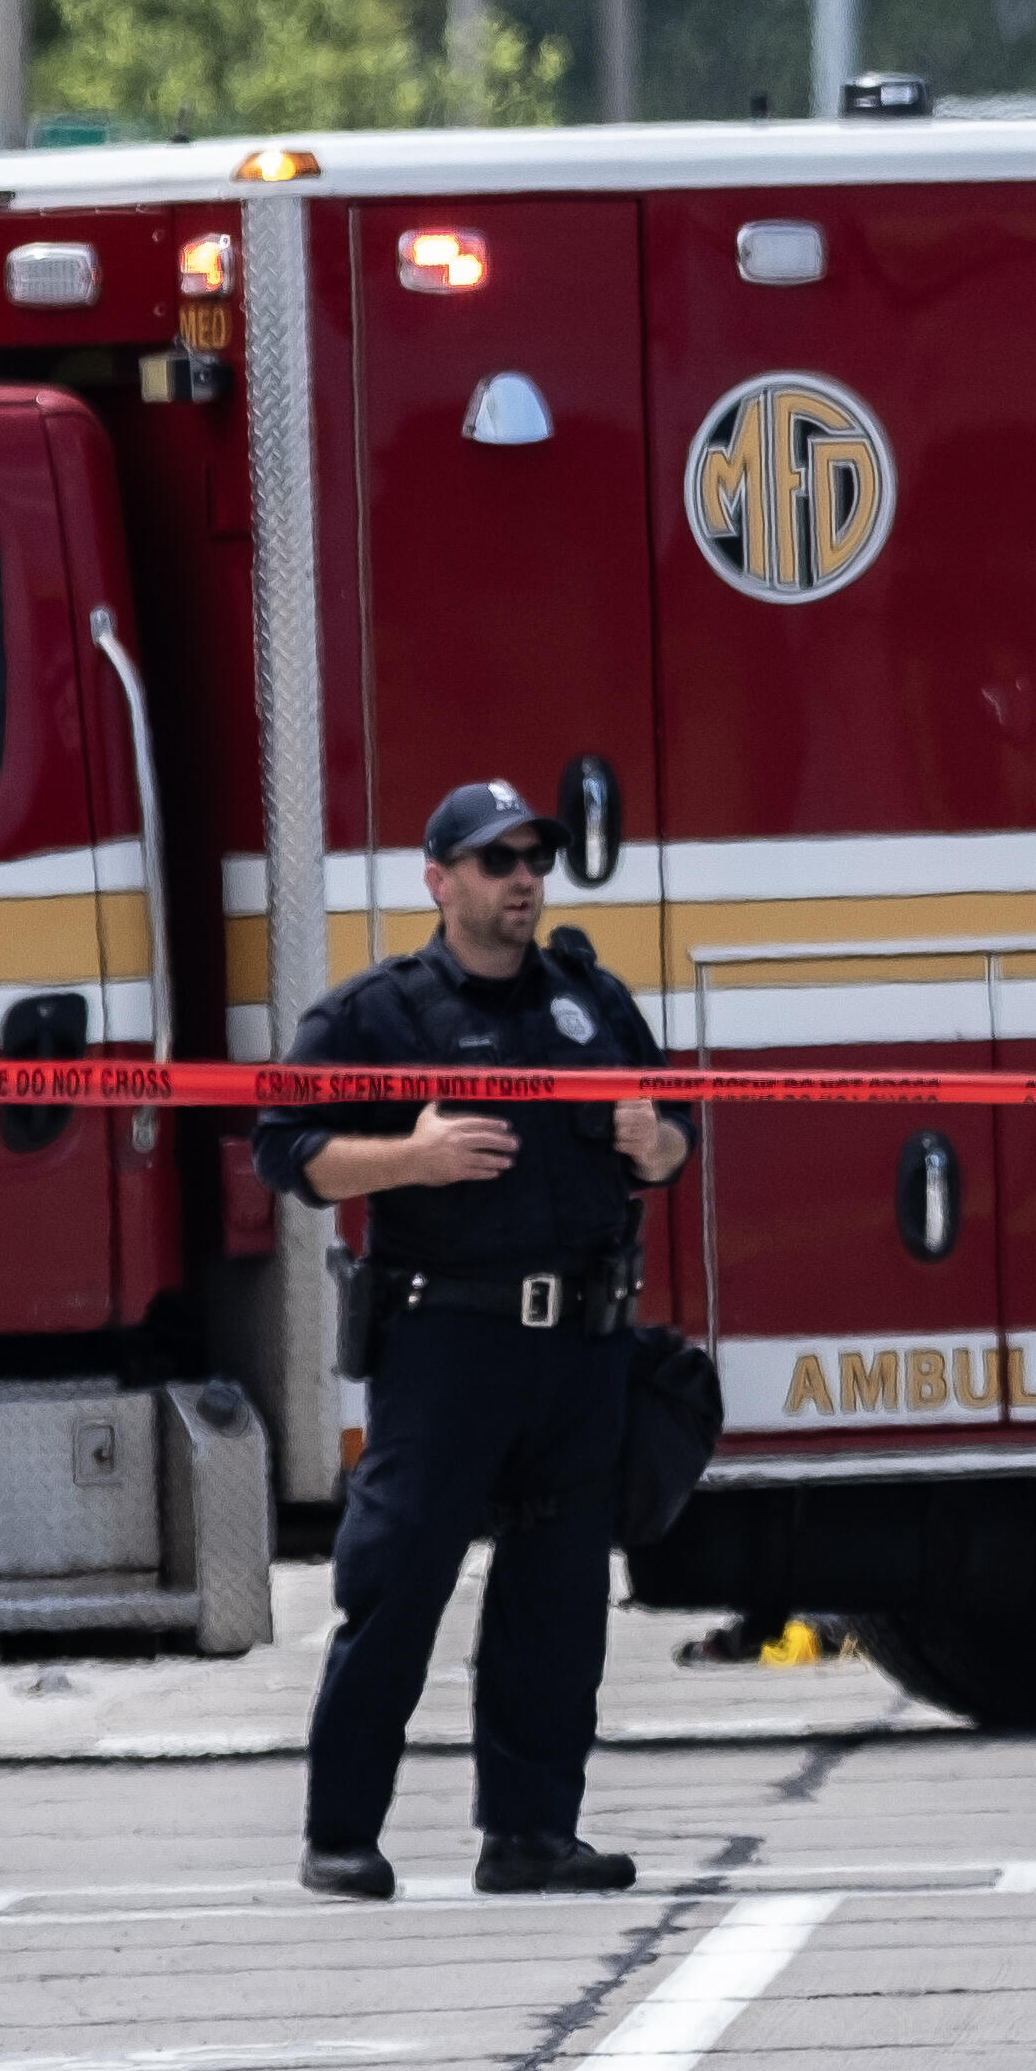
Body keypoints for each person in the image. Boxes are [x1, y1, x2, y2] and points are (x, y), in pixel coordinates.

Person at [271, 783, 690, 1901]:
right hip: (448, 1345)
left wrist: (658, 1144)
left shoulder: (588, 1001)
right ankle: (342, 1834)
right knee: (398, 1585)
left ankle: (532, 1835)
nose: (521, 877)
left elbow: (678, 1129)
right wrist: (406, 1157)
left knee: (557, 1604)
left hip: (581, 1348)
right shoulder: (378, 1013)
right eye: (495, 858)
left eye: (532, 857)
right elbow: (285, 1146)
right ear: (439, 879)